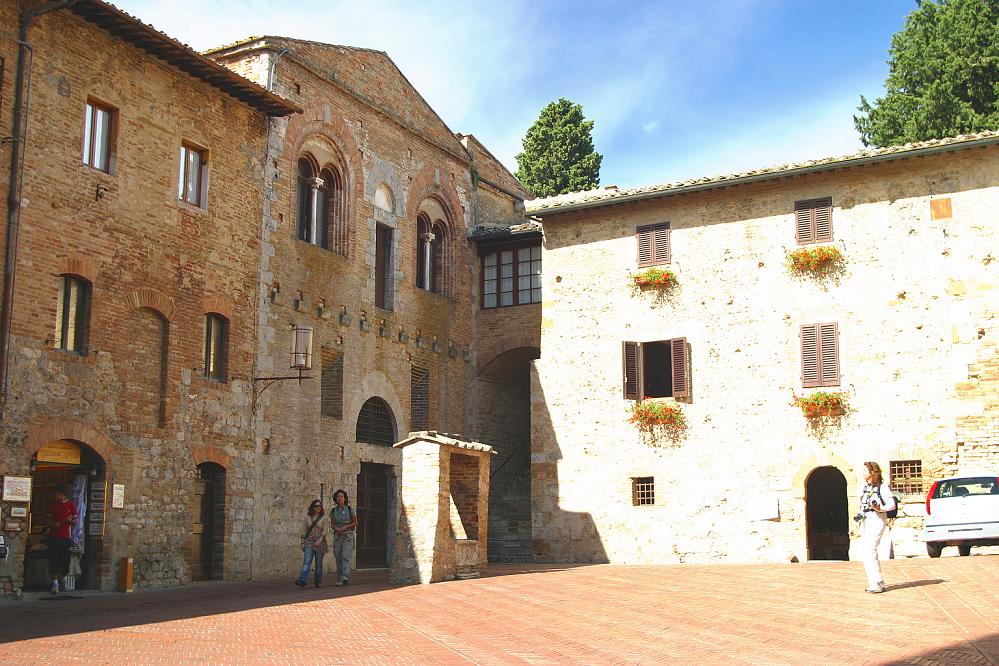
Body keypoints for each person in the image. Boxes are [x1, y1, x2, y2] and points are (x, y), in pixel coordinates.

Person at [858, 461, 896, 594]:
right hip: (865, 521)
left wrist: (879, 508)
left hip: (877, 519)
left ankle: (878, 581)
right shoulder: (865, 487)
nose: (862, 472)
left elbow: (891, 505)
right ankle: (873, 581)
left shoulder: (883, 487)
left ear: (872, 472)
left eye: (865, 470)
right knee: (866, 551)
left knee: (870, 548)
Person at [45, 485, 78, 595]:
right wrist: (52, 524)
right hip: (53, 537)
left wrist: (69, 521)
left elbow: (75, 522)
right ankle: (55, 583)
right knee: (53, 559)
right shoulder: (52, 506)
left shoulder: (71, 506)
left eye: (56, 493)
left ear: (62, 494)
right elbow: (47, 521)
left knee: (64, 560)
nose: (54, 496)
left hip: (65, 537)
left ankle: (62, 579)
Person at [295, 499, 327, 588]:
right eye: (316, 506)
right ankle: (302, 580)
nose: (318, 508)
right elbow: (303, 530)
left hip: (320, 543)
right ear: (312, 507)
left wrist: (319, 540)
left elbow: (325, 531)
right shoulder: (307, 517)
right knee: (307, 561)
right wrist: (302, 542)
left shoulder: (323, 518)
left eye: (319, 506)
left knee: (318, 563)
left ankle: (318, 581)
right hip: (309, 542)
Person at [330, 489, 357, 586]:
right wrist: (336, 529)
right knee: (338, 556)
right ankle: (340, 577)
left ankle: (344, 576)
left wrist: (346, 527)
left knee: (345, 556)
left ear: (345, 498)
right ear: (335, 499)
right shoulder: (333, 511)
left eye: (342, 496)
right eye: (338, 497)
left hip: (347, 536)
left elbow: (355, 522)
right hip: (338, 536)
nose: (340, 498)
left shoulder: (349, 509)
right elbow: (332, 524)